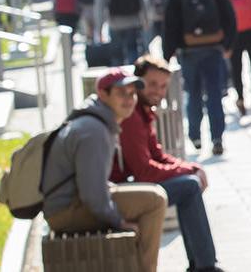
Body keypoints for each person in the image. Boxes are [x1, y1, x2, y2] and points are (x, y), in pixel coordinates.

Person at [42, 69, 169, 272]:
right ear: (103, 94)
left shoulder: (95, 120)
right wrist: (119, 221)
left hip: (68, 204)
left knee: (149, 196)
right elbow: (93, 195)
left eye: (132, 94)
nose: (129, 100)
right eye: (121, 94)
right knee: (155, 200)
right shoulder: (94, 131)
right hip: (66, 212)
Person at [110, 56, 221, 272]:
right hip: (115, 192)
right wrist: (189, 172)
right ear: (137, 82)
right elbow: (145, 171)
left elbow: (159, 156)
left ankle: (201, 264)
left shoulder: (143, 112)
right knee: (189, 186)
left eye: (163, 86)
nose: (158, 92)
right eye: (152, 84)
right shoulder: (131, 115)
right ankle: (205, 266)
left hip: (126, 185)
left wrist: (192, 167)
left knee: (189, 183)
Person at [163, 0, 238, 155]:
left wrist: (167, 55)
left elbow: (170, 28)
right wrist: (228, 44)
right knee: (214, 93)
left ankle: (195, 135)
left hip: (189, 50)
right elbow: (229, 16)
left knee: (193, 93)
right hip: (213, 47)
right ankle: (217, 136)